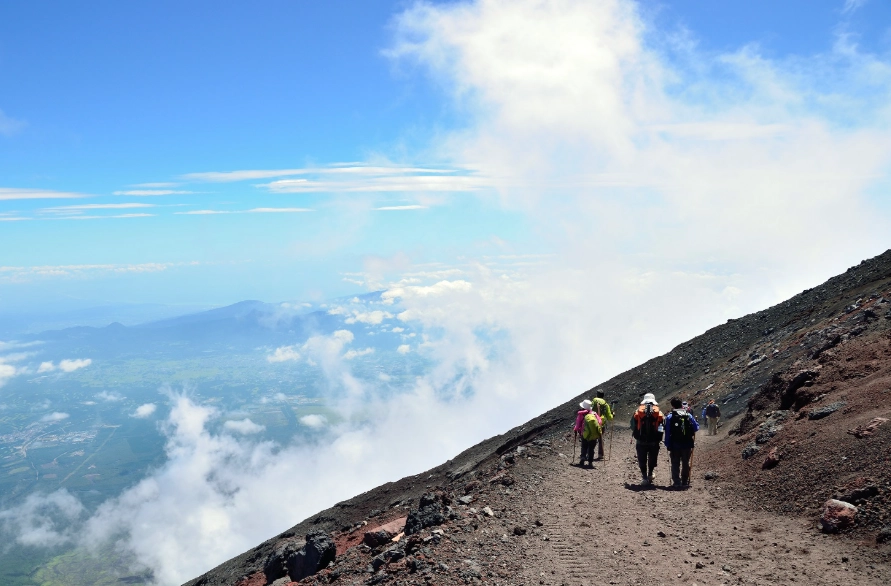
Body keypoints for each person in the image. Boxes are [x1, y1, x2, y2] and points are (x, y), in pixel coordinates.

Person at [664, 397, 699, 487]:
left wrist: (667, 444)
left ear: (672, 405)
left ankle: (676, 481)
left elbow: (667, 432)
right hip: (687, 443)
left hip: (675, 444)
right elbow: (695, 428)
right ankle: (684, 481)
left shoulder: (670, 416)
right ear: (681, 405)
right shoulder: (688, 415)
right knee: (685, 462)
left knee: (675, 463)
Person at [630, 393, 663, 485]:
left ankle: (644, 477)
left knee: (642, 458)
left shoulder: (638, 412)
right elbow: (662, 426)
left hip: (641, 440)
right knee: (652, 457)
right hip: (654, 441)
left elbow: (632, 425)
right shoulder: (659, 413)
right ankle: (650, 474)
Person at [590, 390, 614, 460]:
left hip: (593, 421)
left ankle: (589, 453)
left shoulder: (594, 401)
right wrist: (613, 415)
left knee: (592, 438)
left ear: (597, 395)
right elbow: (609, 417)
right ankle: (600, 454)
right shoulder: (606, 404)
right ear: (603, 396)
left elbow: (589, 410)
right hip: (601, 423)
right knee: (600, 438)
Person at [573, 399, 595, 467]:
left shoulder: (581, 414)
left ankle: (582, 459)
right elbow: (599, 422)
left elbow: (578, 424)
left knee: (584, 446)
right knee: (591, 448)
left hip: (584, 433)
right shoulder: (594, 414)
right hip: (593, 434)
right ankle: (590, 462)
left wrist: (576, 429)